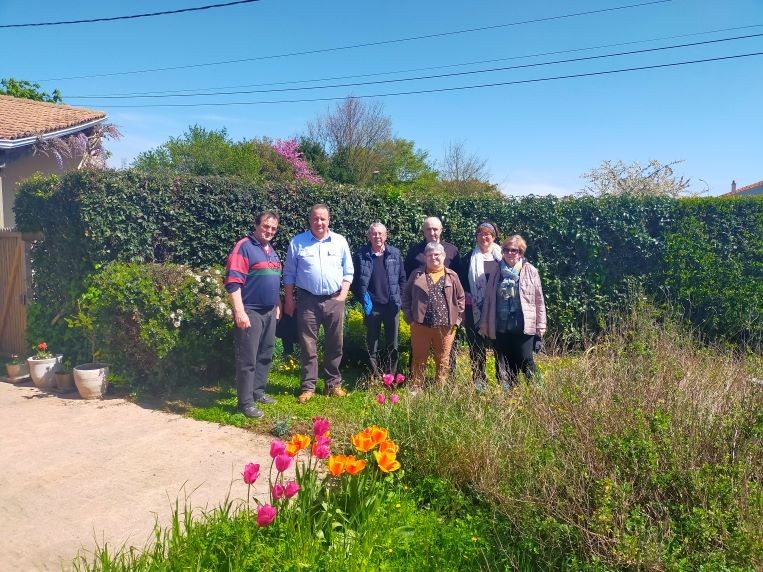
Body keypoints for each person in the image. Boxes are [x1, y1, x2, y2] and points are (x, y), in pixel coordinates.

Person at [283, 204, 354, 403]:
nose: (319, 222)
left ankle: (333, 384)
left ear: (329, 220)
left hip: (334, 299)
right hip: (307, 300)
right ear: (310, 220)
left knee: (335, 343)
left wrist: (343, 296)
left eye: (323, 219)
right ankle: (308, 387)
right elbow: (288, 273)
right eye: (315, 218)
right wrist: (289, 299)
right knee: (308, 345)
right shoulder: (298, 242)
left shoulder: (339, 241)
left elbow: (348, 271)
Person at [224, 211, 282, 418]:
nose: (269, 231)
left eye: (273, 228)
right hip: (251, 311)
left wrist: (277, 304)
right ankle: (245, 403)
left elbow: (273, 278)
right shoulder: (244, 247)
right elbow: (233, 282)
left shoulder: (270, 250)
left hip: (269, 312)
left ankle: (258, 392)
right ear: (257, 225)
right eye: (266, 226)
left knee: (265, 354)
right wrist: (239, 312)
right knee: (247, 359)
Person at [479, 235, 546, 389]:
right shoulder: (496, 271)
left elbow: (539, 299)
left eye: (514, 250)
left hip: (523, 324)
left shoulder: (530, 271)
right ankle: (511, 394)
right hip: (501, 325)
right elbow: (489, 299)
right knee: (507, 362)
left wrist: (541, 325)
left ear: (520, 252)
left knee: (525, 359)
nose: (510, 253)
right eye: (506, 250)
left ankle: (539, 391)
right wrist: (484, 324)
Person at [402, 242, 465, 390]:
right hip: (420, 325)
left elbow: (461, 298)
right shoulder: (417, 274)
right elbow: (406, 296)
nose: (434, 258)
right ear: (425, 257)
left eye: (437, 254)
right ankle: (416, 386)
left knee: (442, 359)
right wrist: (409, 318)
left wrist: (457, 321)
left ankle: (440, 387)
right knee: (419, 358)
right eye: (430, 255)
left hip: (446, 326)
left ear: (443, 256)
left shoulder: (452, 276)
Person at [352, 222, 406, 378]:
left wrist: (399, 299)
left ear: (386, 236)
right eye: (374, 233)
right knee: (372, 345)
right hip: (372, 307)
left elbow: (403, 279)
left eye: (380, 233)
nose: (377, 236)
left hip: (392, 307)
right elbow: (355, 282)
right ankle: (374, 377)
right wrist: (364, 300)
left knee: (393, 345)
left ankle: (391, 376)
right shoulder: (361, 255)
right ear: (369, 236)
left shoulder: (395, 254)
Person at [460, 221, 502, 389]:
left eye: (488, 234)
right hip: (475, 310)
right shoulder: (469, 258)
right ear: (476, 237)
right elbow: (461, 284)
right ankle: (479, 384)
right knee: (476, 348)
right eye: (480, 234)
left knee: (501, 347)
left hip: (499, 310)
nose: (484, 237)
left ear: (494, 236)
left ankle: (504, 382)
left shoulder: (503, 256)